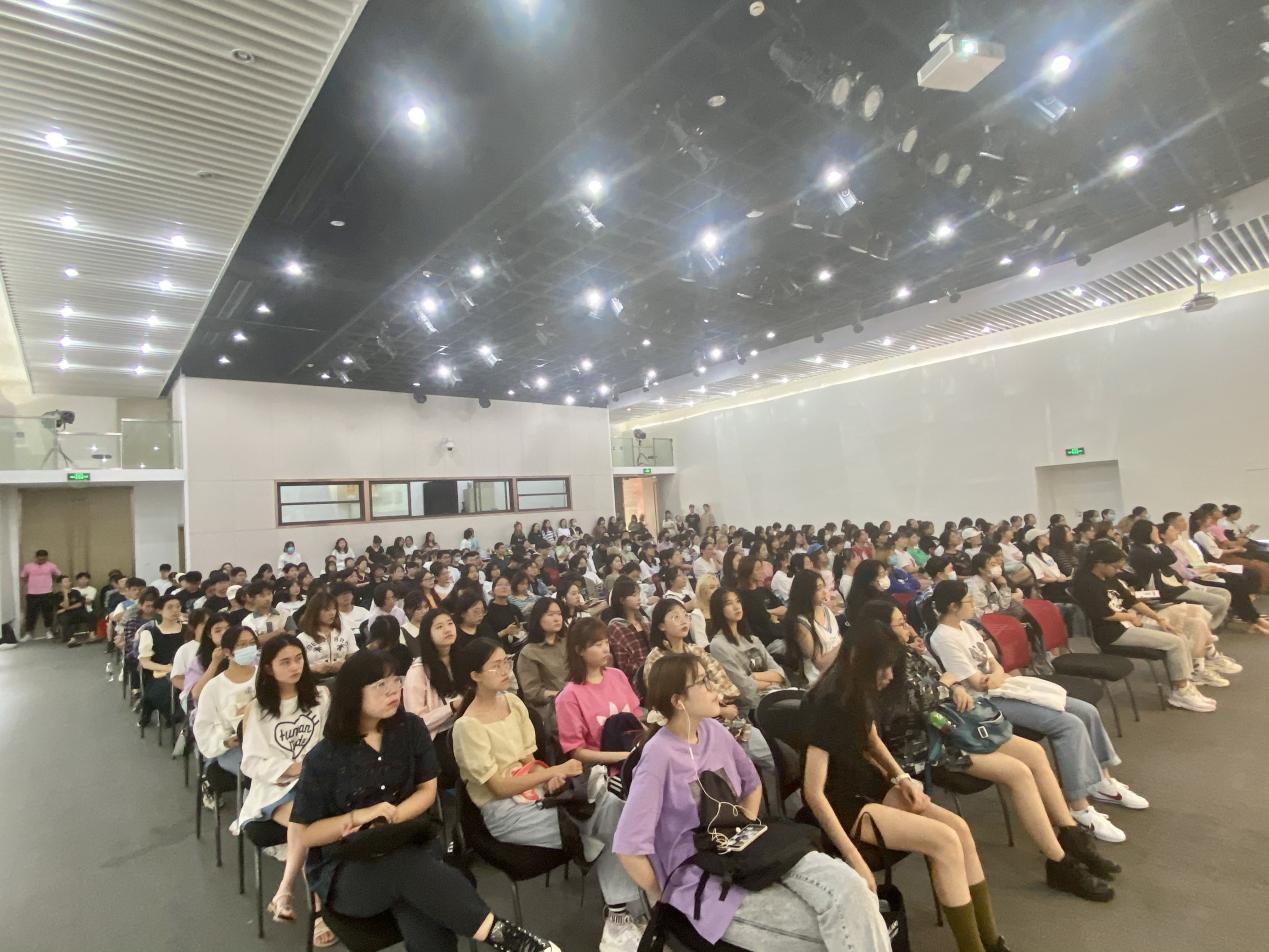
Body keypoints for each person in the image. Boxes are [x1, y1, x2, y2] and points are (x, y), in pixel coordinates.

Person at [614, 652, 891, 951]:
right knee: (837, 929)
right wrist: (667, 898)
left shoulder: (713, 731)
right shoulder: (658, 758)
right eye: (703, 682)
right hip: (704, 879)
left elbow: (752, 783)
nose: (714, 687)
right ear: (678, 700)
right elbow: (629, 849)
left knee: (854, 891)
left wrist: (742, 830)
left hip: (749, 853)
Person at [289, 650, 561, 952]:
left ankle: (507, 938)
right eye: (380, 685)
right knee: (410, 869)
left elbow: (427, 791)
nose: (394, 690)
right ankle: (504, 935)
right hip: (352, 869)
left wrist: (389, 817)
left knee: (424, 907)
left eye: (396, 680)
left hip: (411, 844)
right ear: (353, 693)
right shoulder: (324, 757)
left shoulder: (409, 729)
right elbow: (307, 833)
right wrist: (358, 818)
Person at [804, 622, 1037, 952]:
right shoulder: (828, 703)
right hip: (843, 802)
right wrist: (854, 858)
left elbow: (870, 739)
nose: (889, 676)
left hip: (867, 783)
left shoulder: (858, 688)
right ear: (859, 659)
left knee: (959, 830)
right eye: (884, 668)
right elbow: (813, 792)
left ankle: (991, 942)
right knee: (944, 841)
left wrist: (900, 778)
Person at [861, 599, 1118, 898]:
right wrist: (948, 683)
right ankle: (1059, 862)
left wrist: (954, 686)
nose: (907, 627)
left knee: (1035, 754)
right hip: (926, 745)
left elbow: (937, 684)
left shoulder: (904, 653)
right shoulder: (879, 666)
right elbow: (917, 702)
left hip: (950, 727)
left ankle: (1071, 836)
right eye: (900, 623)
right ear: (881, 630)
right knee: (1018, 773)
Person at [452, 638, 643, 951]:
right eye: (496, 666)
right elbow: (498, 787)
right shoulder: (467, 727)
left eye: (505, 661)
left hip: (536, 794)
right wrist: (554, 771)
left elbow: (529, 760)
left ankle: (621, 914)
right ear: (475, 676)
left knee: (613, 812)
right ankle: (626, 913)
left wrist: (548, 776)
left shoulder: (513, 703)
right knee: (615, 818)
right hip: (505, 813)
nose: (506, 669)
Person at [929, 580, 1146, 842]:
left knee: (1086, 711)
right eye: (968, 601)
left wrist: (995, 675)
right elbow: (977, 684)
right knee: (1069, 725)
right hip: (986, 704)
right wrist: (994, 676)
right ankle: (1079, 806)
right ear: (953, 606)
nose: (973, 605)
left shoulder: (966, 627)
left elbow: (995, 665)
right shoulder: (943, 637)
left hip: (1005, 688)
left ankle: (1101, 781)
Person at [235, 635, 332, 941]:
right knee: (306, 823)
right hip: (275, 790)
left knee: (309, 819)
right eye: (285, 662)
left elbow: (329, 742)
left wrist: (313, 770)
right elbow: (251, 762)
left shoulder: (320, 697)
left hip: (316, 782)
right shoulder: (258, 709)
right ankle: (316, 908)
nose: (295, 667)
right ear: (268, 668)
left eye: (299, 659)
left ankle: (284, 892)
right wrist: (294, 769)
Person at [1071, 541, 1217, 713]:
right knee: (1175, 643)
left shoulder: (1109, 578)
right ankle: (1181, 691)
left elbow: (1132, 601)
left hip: (1126, 625)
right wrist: (1131, 617)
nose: (1118, 571)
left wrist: (1158, 618)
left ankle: (1185, 684)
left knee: (1179, 635)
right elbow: (1104, 614)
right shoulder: (1086, 583)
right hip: (1112, 633)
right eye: (1115, 567)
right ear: (1100, 563)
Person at [554, 617, 642, 774]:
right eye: (598, 645)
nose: (606, 649)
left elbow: (636, 721)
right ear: (579, 650)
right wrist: (625, 756)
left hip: (636, 756)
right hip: (603, 771)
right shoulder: (568, 697)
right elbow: (576, 752)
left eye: (606, 643)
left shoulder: (617, 675)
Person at [706, 587, 786, 719]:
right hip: (751, 709)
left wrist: (754, 676)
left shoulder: (752, 639)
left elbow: (780, 673)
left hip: (775, 697)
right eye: (729, 603)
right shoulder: (718, 645)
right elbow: (743, 687)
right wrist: (771, 682)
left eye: (738, 601)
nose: (736, 606)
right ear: (719, 609)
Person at [192, 625, 260, 775]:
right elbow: (203, 728)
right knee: (256, 771)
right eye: (242, 645)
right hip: (234, 748)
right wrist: (225, 742)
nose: (249, 648)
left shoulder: (265, 676)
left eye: (252, 643)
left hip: (267, 740)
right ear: (227, 652)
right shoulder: (213, 688)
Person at [402, 608, 463, 737]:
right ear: (427, 634)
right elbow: (416, 722)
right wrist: (452, 707)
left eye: (450, 623)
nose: (447, 630)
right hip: (438, 736)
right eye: (439, 627)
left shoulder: (463, 658)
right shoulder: (418, 671)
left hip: (465, 725)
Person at [515, 598, 569, 733]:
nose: (557, 619)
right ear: (538, 618)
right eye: (550, 615)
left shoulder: (568, 642)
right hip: (552, 711)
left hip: (577, 702)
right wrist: (563, 695)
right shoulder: (529, 652)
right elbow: (533, 693)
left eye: (559, 614)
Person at [137, 594, 190, 727]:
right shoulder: (149, 632)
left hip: (187, 671)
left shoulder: (188, 630)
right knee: (166, 689)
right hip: (160, 674)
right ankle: (175, 716)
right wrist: (168, 668)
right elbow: (145, 662)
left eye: (178, 607)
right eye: (170, 607)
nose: (175, 610)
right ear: (159, 610)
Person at [782, 569, 841, 687]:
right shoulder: (801, 623)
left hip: (837, 667)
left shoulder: (826, 610)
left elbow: (838, 638)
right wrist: (843, 645)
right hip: (819, 678)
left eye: (823, 586)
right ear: (806, 592)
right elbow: (819, 663)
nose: (824, 592)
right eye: (818, 589)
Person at [295, 592, 358, 677]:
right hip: (314, 679)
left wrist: (345, 664)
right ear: (315, 611)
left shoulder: (346, 632)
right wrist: (314, 668)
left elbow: (354, 658)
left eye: (334, 609)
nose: (332, 613)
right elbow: (297, 667)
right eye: (327, 610)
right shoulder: (302, 638)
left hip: (343, 677)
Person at [604, 576, 651, 683]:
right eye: (634, 595)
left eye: (638, 594)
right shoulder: (616, 627)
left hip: (655, 672)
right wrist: (648, 668)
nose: (638, 598)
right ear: (622, 600)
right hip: (635, 680)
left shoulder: (644, 621)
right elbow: (624, 664)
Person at [19, 548, 61, 640]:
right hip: (32, 594)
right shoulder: (28, 566)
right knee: (30, 614)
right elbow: (23, 577)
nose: (41, 561)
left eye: (44, 559)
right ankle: (29, 633)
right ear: (36, 557)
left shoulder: (51, 566)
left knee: (48, 614)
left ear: (46, 558)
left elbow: (58, 575)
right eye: (40, 559)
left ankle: (48, 631)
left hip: (47, 593)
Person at [687, 573, 718, 648]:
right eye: (712, 587)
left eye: (717, 587)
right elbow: (701, 644)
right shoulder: (697, 614)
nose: (717, 590)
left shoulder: (720, 609)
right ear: (702, 591)